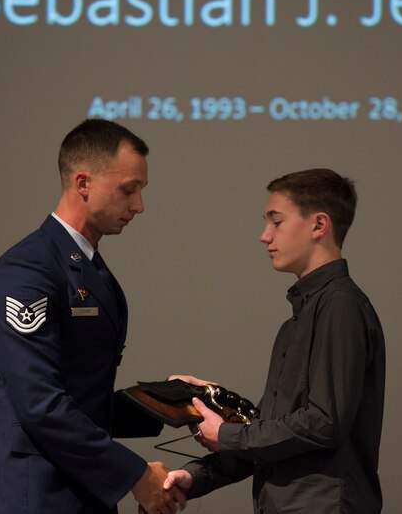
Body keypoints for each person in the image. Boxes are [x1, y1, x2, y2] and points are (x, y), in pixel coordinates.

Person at [0, 119, 185, 514]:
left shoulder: (87, 268)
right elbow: (41, 407)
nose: (139, 206)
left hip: (76, 491)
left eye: (141, 191)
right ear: (83, 183)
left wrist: (176, 400)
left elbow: (86, 400)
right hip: (33, 495)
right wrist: (136, 476)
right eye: (128, 190)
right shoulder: (26, 274)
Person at [165, 168, 386, 513]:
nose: (264, 236)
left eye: (276, 222)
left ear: (318, 225)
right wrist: (194, 477)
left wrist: (226, 435)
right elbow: (274, 437)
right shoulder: (298, 320)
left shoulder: (340, 305)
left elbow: (323, 423)